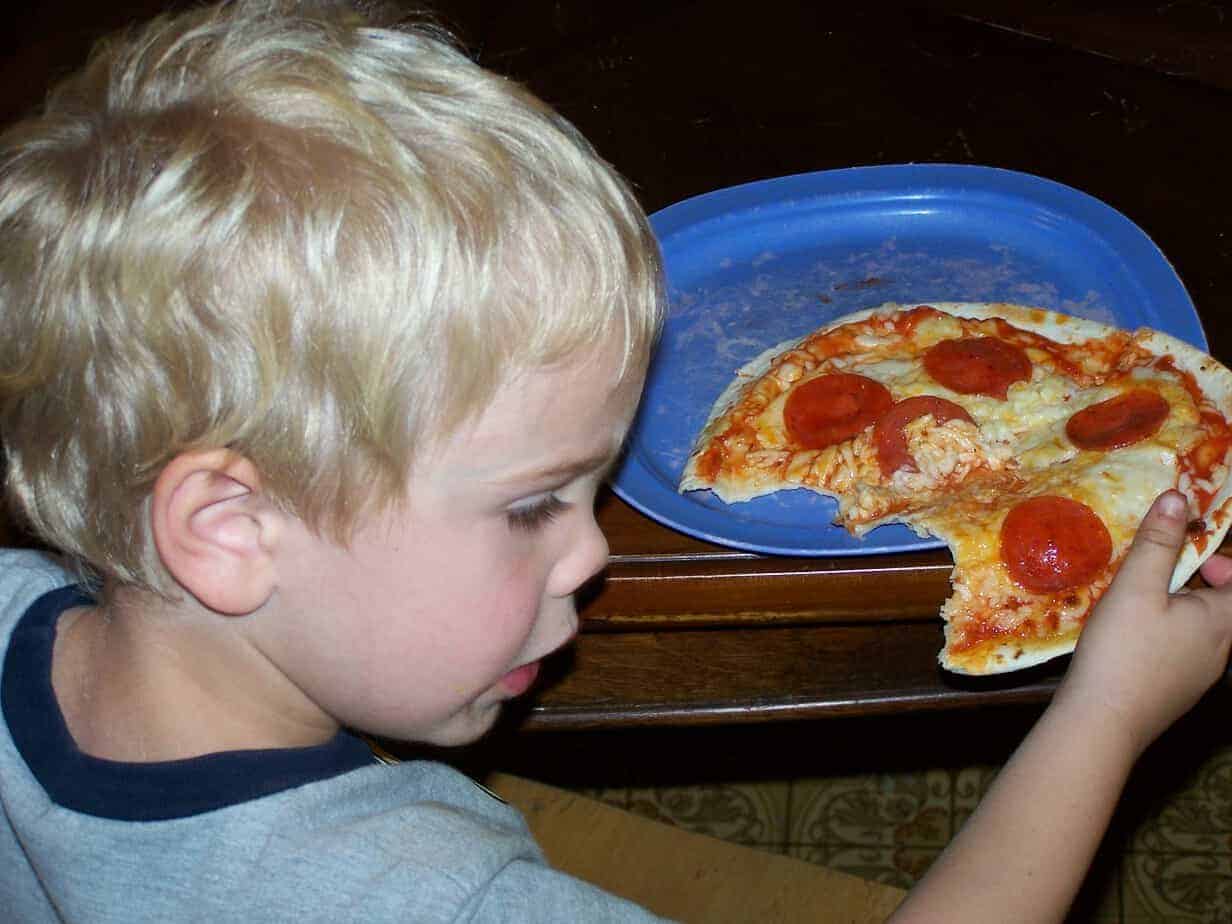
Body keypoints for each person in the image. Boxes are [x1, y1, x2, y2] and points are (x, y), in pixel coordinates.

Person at [0, 2, 1228, 922]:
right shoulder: (433, 901)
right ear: (228, 528)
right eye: (533, 503)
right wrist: (1105, 717)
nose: (594, 552)